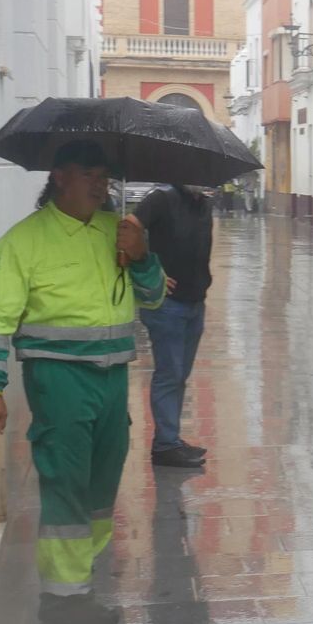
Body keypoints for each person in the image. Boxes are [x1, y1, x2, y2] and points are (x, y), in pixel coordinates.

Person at [0, 140, 167, 624]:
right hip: (57, 376)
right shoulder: (22, 241)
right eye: (89, 175)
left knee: (102, 481)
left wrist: (141, 256)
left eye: (105, 176)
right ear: (59, 176)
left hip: (112, 376)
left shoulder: (117, 232)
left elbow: (156, 298)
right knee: (65, 479)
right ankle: (65, 596)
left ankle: (79, 570)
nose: (101, 185)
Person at [134, 184, 213, 468]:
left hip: (195, 303)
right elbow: (130, 229)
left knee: (179, 375)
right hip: (167, 306)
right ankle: (166, 445)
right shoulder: (161, 199)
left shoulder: (204, 204)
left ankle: (170, 439)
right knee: (170, 374)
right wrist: (149, 271)